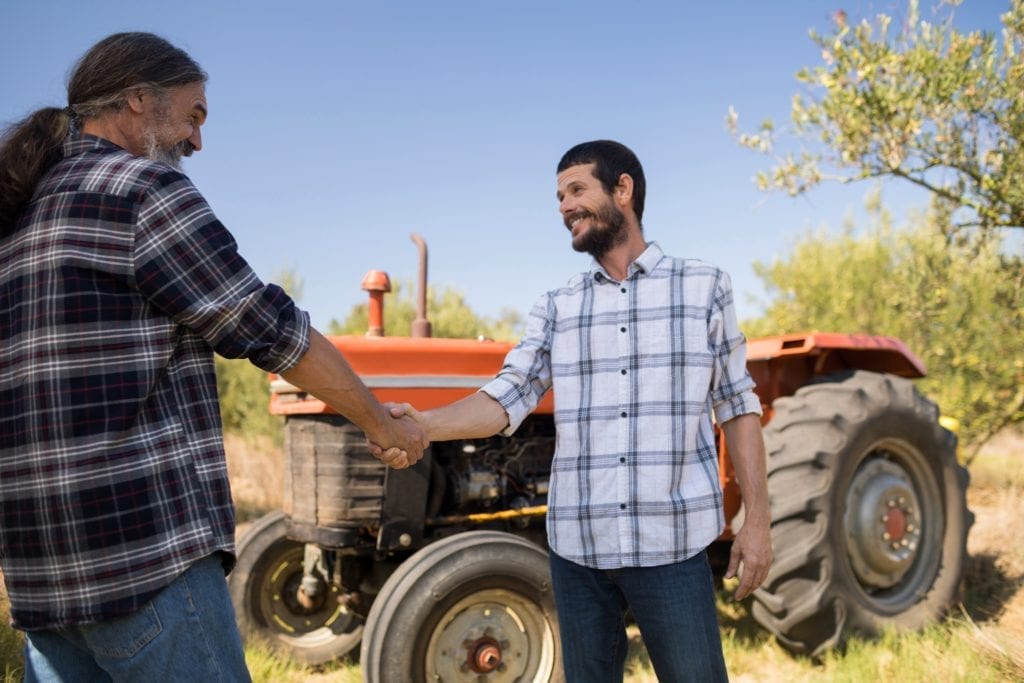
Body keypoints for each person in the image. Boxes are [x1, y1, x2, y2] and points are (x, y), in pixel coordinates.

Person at [0, 32, 425, 682]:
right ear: (140, 99)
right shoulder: (140, 190)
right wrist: (379, 422)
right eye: (194, 116)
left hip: (41, 578)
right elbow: (272, 330)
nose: (198, 141)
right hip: (143, 564)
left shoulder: (21, 211)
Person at [376, 140, 772, 682]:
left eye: (577, 189)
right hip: (579, 555)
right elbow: (507, 397)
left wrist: (758, 523)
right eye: (559, 196)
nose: (563, 205)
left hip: (673, 548)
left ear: (623, 190)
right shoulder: (558, 306)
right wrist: (422, 425)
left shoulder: (703, 287)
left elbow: (738, 407)